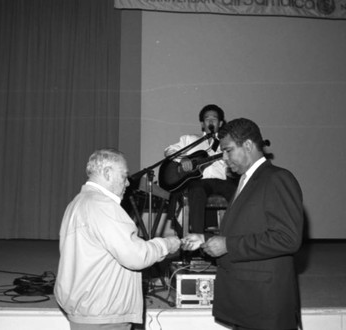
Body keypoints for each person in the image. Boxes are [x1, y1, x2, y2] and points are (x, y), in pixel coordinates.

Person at [182, 118, 304, 330]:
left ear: (248, 145)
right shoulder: (245, 180)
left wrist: (228, 245)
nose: (224, 158)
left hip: (266, 306)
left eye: (228, 151)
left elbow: (287, 239)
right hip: (248, 302)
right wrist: (207, 239)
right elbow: (246, 229)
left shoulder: (277, 178)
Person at [55, 148, 181, 330]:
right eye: (124, 176)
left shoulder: (77, 203)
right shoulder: (103, 206)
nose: (128, 183)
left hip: (87, 311)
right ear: (107, 173)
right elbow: (136, 256)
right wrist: (167, 244)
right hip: (104, 315)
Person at [163, 104, 237, 234]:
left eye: (214, 118)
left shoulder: (227, 144)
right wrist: (183, 159)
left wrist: (230, 161)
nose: (210, 121)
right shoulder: (190, 140)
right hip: (199, 182)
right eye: (206, 118)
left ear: (220, 123)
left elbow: (233, 168)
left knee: (237, 192)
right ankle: (197, 237)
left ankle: (234, 236)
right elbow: (169, 150)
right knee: (196, 190)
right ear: (202, 124)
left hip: (221, 181)